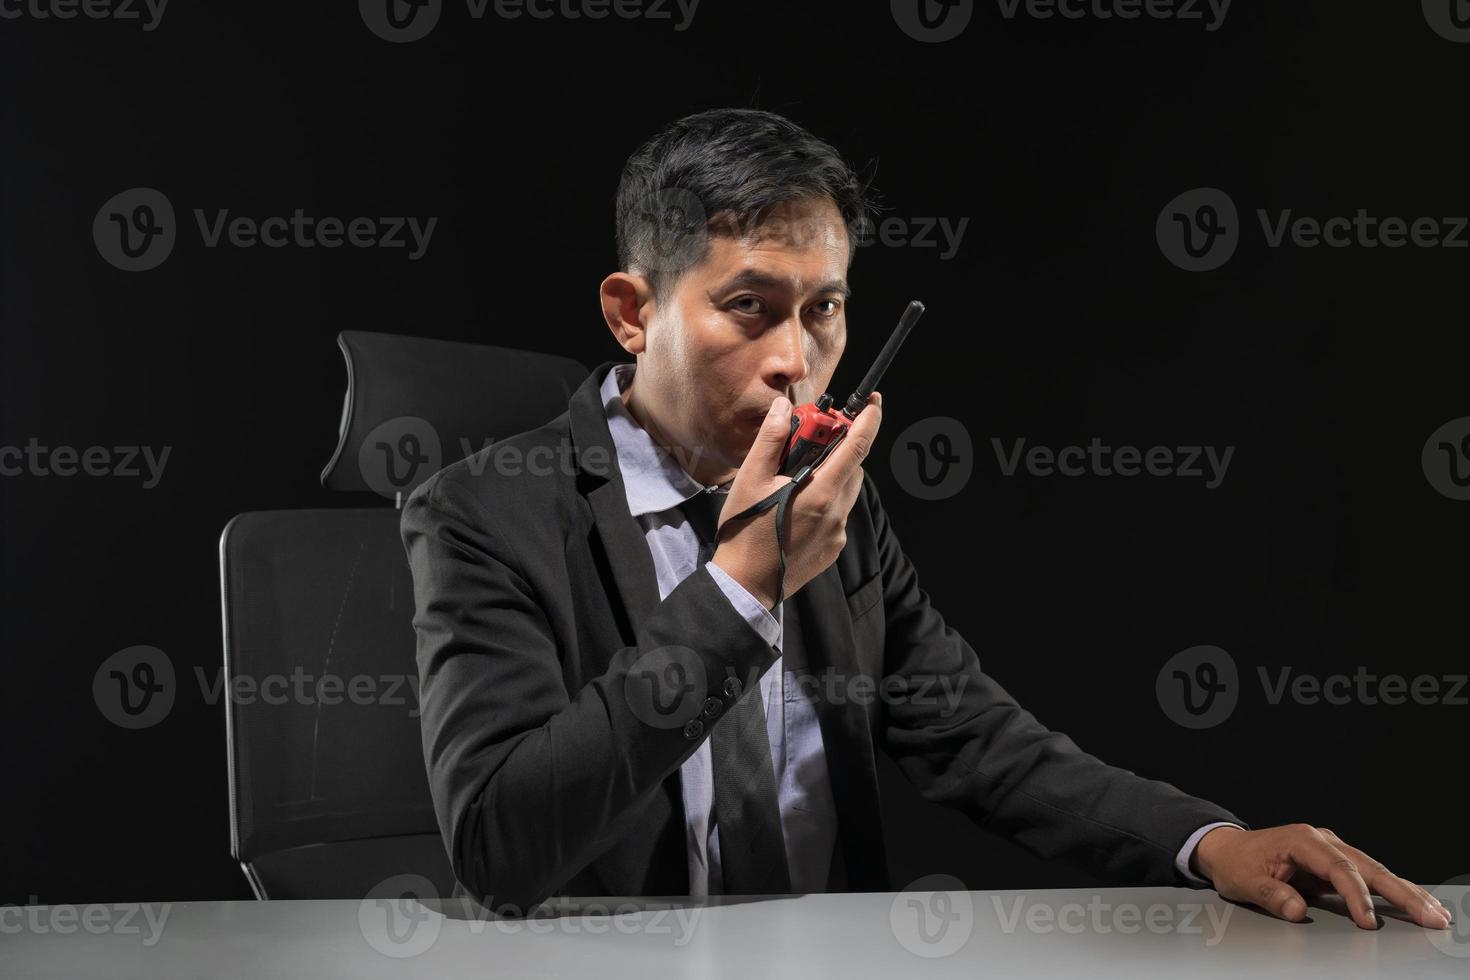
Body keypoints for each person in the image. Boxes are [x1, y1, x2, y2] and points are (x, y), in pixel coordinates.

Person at [401, 107, 1453, 930]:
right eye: (750, 307)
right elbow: (500, 842)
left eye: (825, 309)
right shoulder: (483, 513)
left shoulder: (828, 498)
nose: (796, 360)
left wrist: (1210, 840)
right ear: (634, 313)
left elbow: (978, 738)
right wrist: (741, 588)